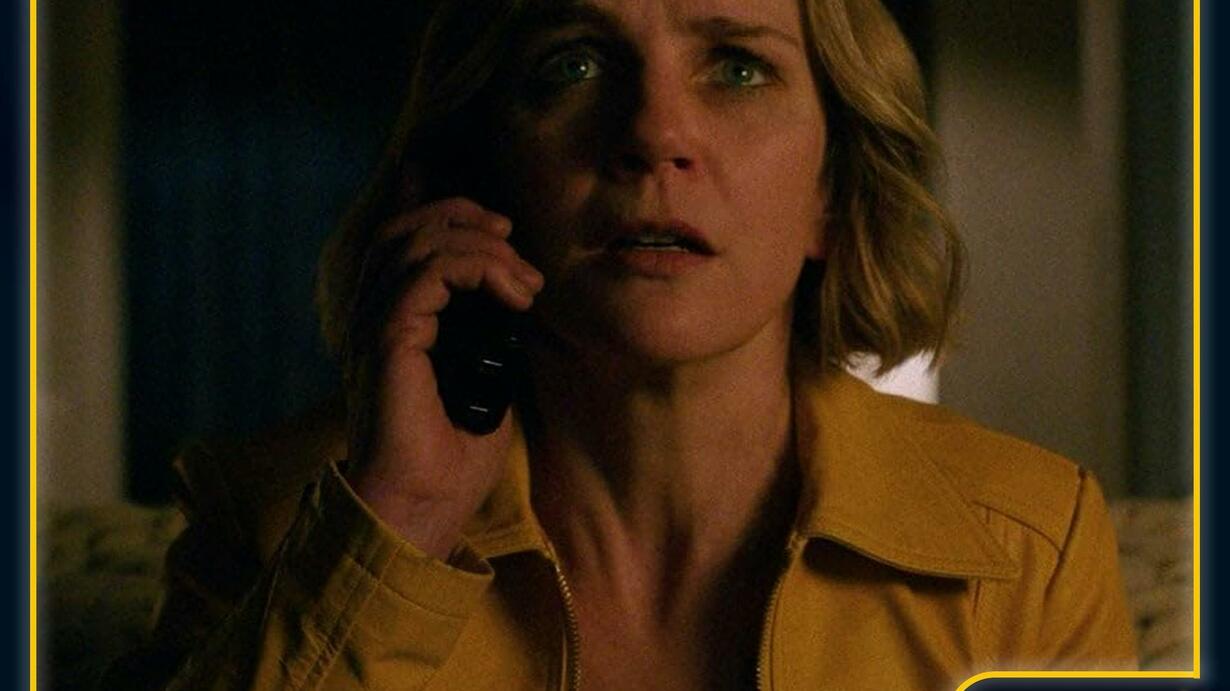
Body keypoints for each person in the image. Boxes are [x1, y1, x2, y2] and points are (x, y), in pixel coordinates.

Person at [107, 0, 1138, 688]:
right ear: (474, 173)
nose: (654, 133)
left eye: (737, 67)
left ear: (832, 191)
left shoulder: (1025, 552)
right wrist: (399, 525)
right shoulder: (277, 515)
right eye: (574, 63)